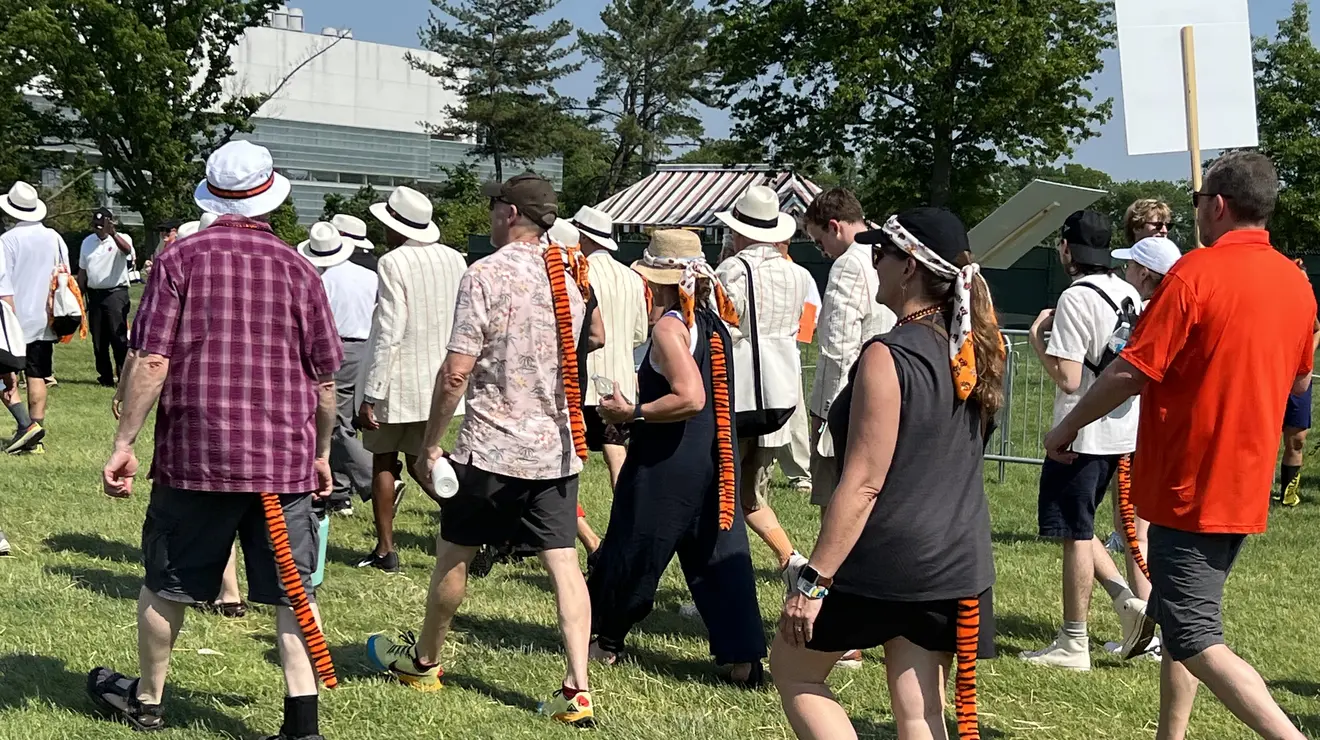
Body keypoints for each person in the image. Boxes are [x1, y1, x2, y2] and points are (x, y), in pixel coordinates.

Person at [1044, 151, 1313, 740]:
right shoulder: (1297, 283)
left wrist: (1065, 429)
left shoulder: (1196, 273)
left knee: (1195, 636)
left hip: (1192, 480)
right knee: (1177, 614)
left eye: (1196, 202)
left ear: (1216, 205)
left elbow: (1127, 372)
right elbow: (1297, 380)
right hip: (1243, 481)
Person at [91, 140, 342, 740]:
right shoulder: (301, 268)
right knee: (292, 593)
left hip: (196, 455)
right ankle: (301, 722)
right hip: (282, 461)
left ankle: (148, 700)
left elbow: (151, 359)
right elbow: (325, 381)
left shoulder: (179, 261)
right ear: (271, 197)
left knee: (167, 582)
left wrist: (125, 439)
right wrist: (322, 452)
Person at [367, 173, 595, 726]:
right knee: (563, 564)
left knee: (454, 555)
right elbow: (590, 342)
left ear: (509, 211)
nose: (490, 216)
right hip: (556, 445)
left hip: (492, 444)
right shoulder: (573, 273)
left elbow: (455, 374)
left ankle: (425, 660)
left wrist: (429, 443)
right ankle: (578, 688)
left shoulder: (484, 274)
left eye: (494, 206)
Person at [771, 208, 1002, 740]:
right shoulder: (979, 350)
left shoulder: (887, 354)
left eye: (882, 253)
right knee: (920, 712)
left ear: (910, 267)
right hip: (957, 557)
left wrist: (814, 582)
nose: (872, 263)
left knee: (793, 669)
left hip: (889, 556)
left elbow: (865, 481)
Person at [586, 229, 765, 685]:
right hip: (713, 455)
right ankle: (744, 659)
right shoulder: (709, 320)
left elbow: (691, 397)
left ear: (657, 280)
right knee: (719, 552)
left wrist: (634, 411)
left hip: (669, 457)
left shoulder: (670, 326)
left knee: (635, 543)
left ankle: (603, 639)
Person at [1021, 210, 1152, 670]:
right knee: (1107, 527)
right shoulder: (1127, 291)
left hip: (1084, 430)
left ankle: (1073, 640)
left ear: (1066, 249)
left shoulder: (1075, 298)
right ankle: (1132, 606)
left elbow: (1071, 378)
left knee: (1074, 533)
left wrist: (1039, 338)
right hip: (1125, 426)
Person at [355, 186, 466, 572]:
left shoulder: (392, 262)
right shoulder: (455, 260)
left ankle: (386, 549)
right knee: (427, 460)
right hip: (439, 379)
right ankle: (475, 527)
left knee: (384, 461)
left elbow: (390, 330)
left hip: (398, 380)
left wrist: (371, 393)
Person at [715, 184, 814, 578]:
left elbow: (720, 325)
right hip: (781, 394)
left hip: (738, 393)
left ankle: (724, 579)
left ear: (740, 231)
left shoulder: (731, 270)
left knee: (721, 492)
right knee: (751, 491)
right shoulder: (799, 274)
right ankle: (790, 560)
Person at [1105, 235, 1183, 607]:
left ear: (1146, 273)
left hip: (1139, 430)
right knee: (1136, 527)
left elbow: (1127, 369)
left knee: (1136, 530)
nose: (1126, 272)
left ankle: (1151, 617)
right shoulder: (1177, 305)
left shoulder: (1154, 312)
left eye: (1132, 266)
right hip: (1151, 430)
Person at [298, 222, 379, 516]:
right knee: (345, 420)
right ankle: (341, 491)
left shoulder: (320, 280)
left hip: (335, 348)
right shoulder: (369, 275)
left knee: (334, 424)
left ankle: (375, 479)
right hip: (365, 347)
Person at [574, 205, 647, 492]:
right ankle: (625, 513)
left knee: (569, 450)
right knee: (616, 450)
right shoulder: (632, 277)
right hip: (620, 380)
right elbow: (641, 333)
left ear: (584, 238)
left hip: (581, 376)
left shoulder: (579, 273)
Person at [0, 180, 67, 454]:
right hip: (44, 317)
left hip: (13, 318)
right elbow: (64, 275)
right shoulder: (54, 237)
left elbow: (4, 285)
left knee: (6, 377)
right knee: (38, 374)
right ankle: (34, 435)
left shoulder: (7, 240)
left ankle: (26, 426)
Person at [78, 207, 135, 388]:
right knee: (99, 340)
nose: (98, 229)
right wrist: (80, 293)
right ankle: (105, 377)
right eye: (96, 225)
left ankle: (123, 375)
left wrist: (114, 234)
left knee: (117, 337)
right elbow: (82, 270)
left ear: (110, 223)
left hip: (115, 293)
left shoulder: (122, 239)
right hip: (95, 294)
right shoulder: (88, 242)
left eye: (102, 225)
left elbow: (127, 252)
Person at [1277, 309, 1320, 508]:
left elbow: (1316, 330)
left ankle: (1288, 496)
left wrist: (1306, 357)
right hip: (1267, 370)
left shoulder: (1302, 304)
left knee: (1297, 439)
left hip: (1299, 375)